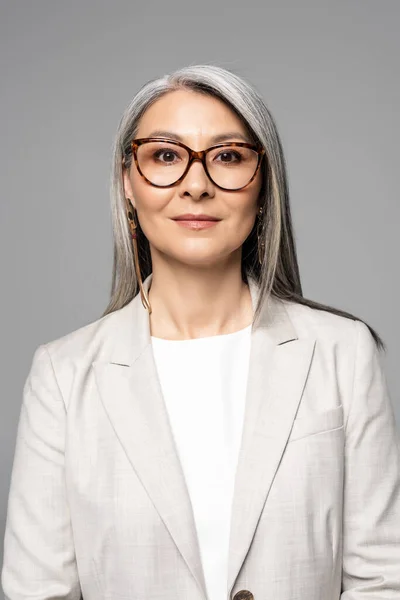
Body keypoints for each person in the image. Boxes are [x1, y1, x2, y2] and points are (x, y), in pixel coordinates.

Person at [2, 64, 400, 600]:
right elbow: (37, 591)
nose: (196, 184)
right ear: (127, 182)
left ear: (264, 185)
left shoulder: (342, 353)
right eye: (165, 155)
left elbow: (383, 580)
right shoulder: (63, 376)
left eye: (228, 157)